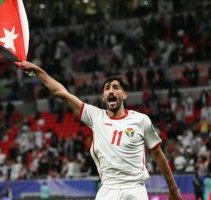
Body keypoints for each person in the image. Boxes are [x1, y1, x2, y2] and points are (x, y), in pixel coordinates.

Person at [17, 61, 182, 200]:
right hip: (108, 189)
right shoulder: (95, 116)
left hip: (134, 189)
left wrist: (173, 189)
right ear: (103, 97)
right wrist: (38, 71)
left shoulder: (141, 120)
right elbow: (62, 93)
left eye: (116, 87)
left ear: (124, 95)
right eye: (107, 88)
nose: (111, 90)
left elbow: (158, 155)